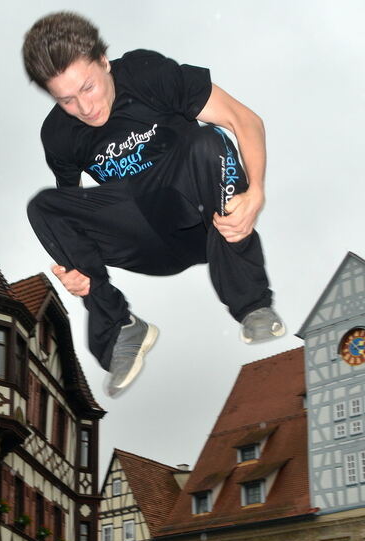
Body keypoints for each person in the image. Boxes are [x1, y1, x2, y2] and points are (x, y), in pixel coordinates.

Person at [22, 11, 285, 398]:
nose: (86, 108)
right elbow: (76, 210)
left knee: (208, 142)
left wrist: (256, 191)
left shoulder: (149, 74)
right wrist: (77, 270)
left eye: (89, 87)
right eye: (67, 100)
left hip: (203, 222)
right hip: (142, 239)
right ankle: (120, 330)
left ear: (104, 61)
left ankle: (252, 305)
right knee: (44, 206)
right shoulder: (59, 135)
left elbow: (243, 120)